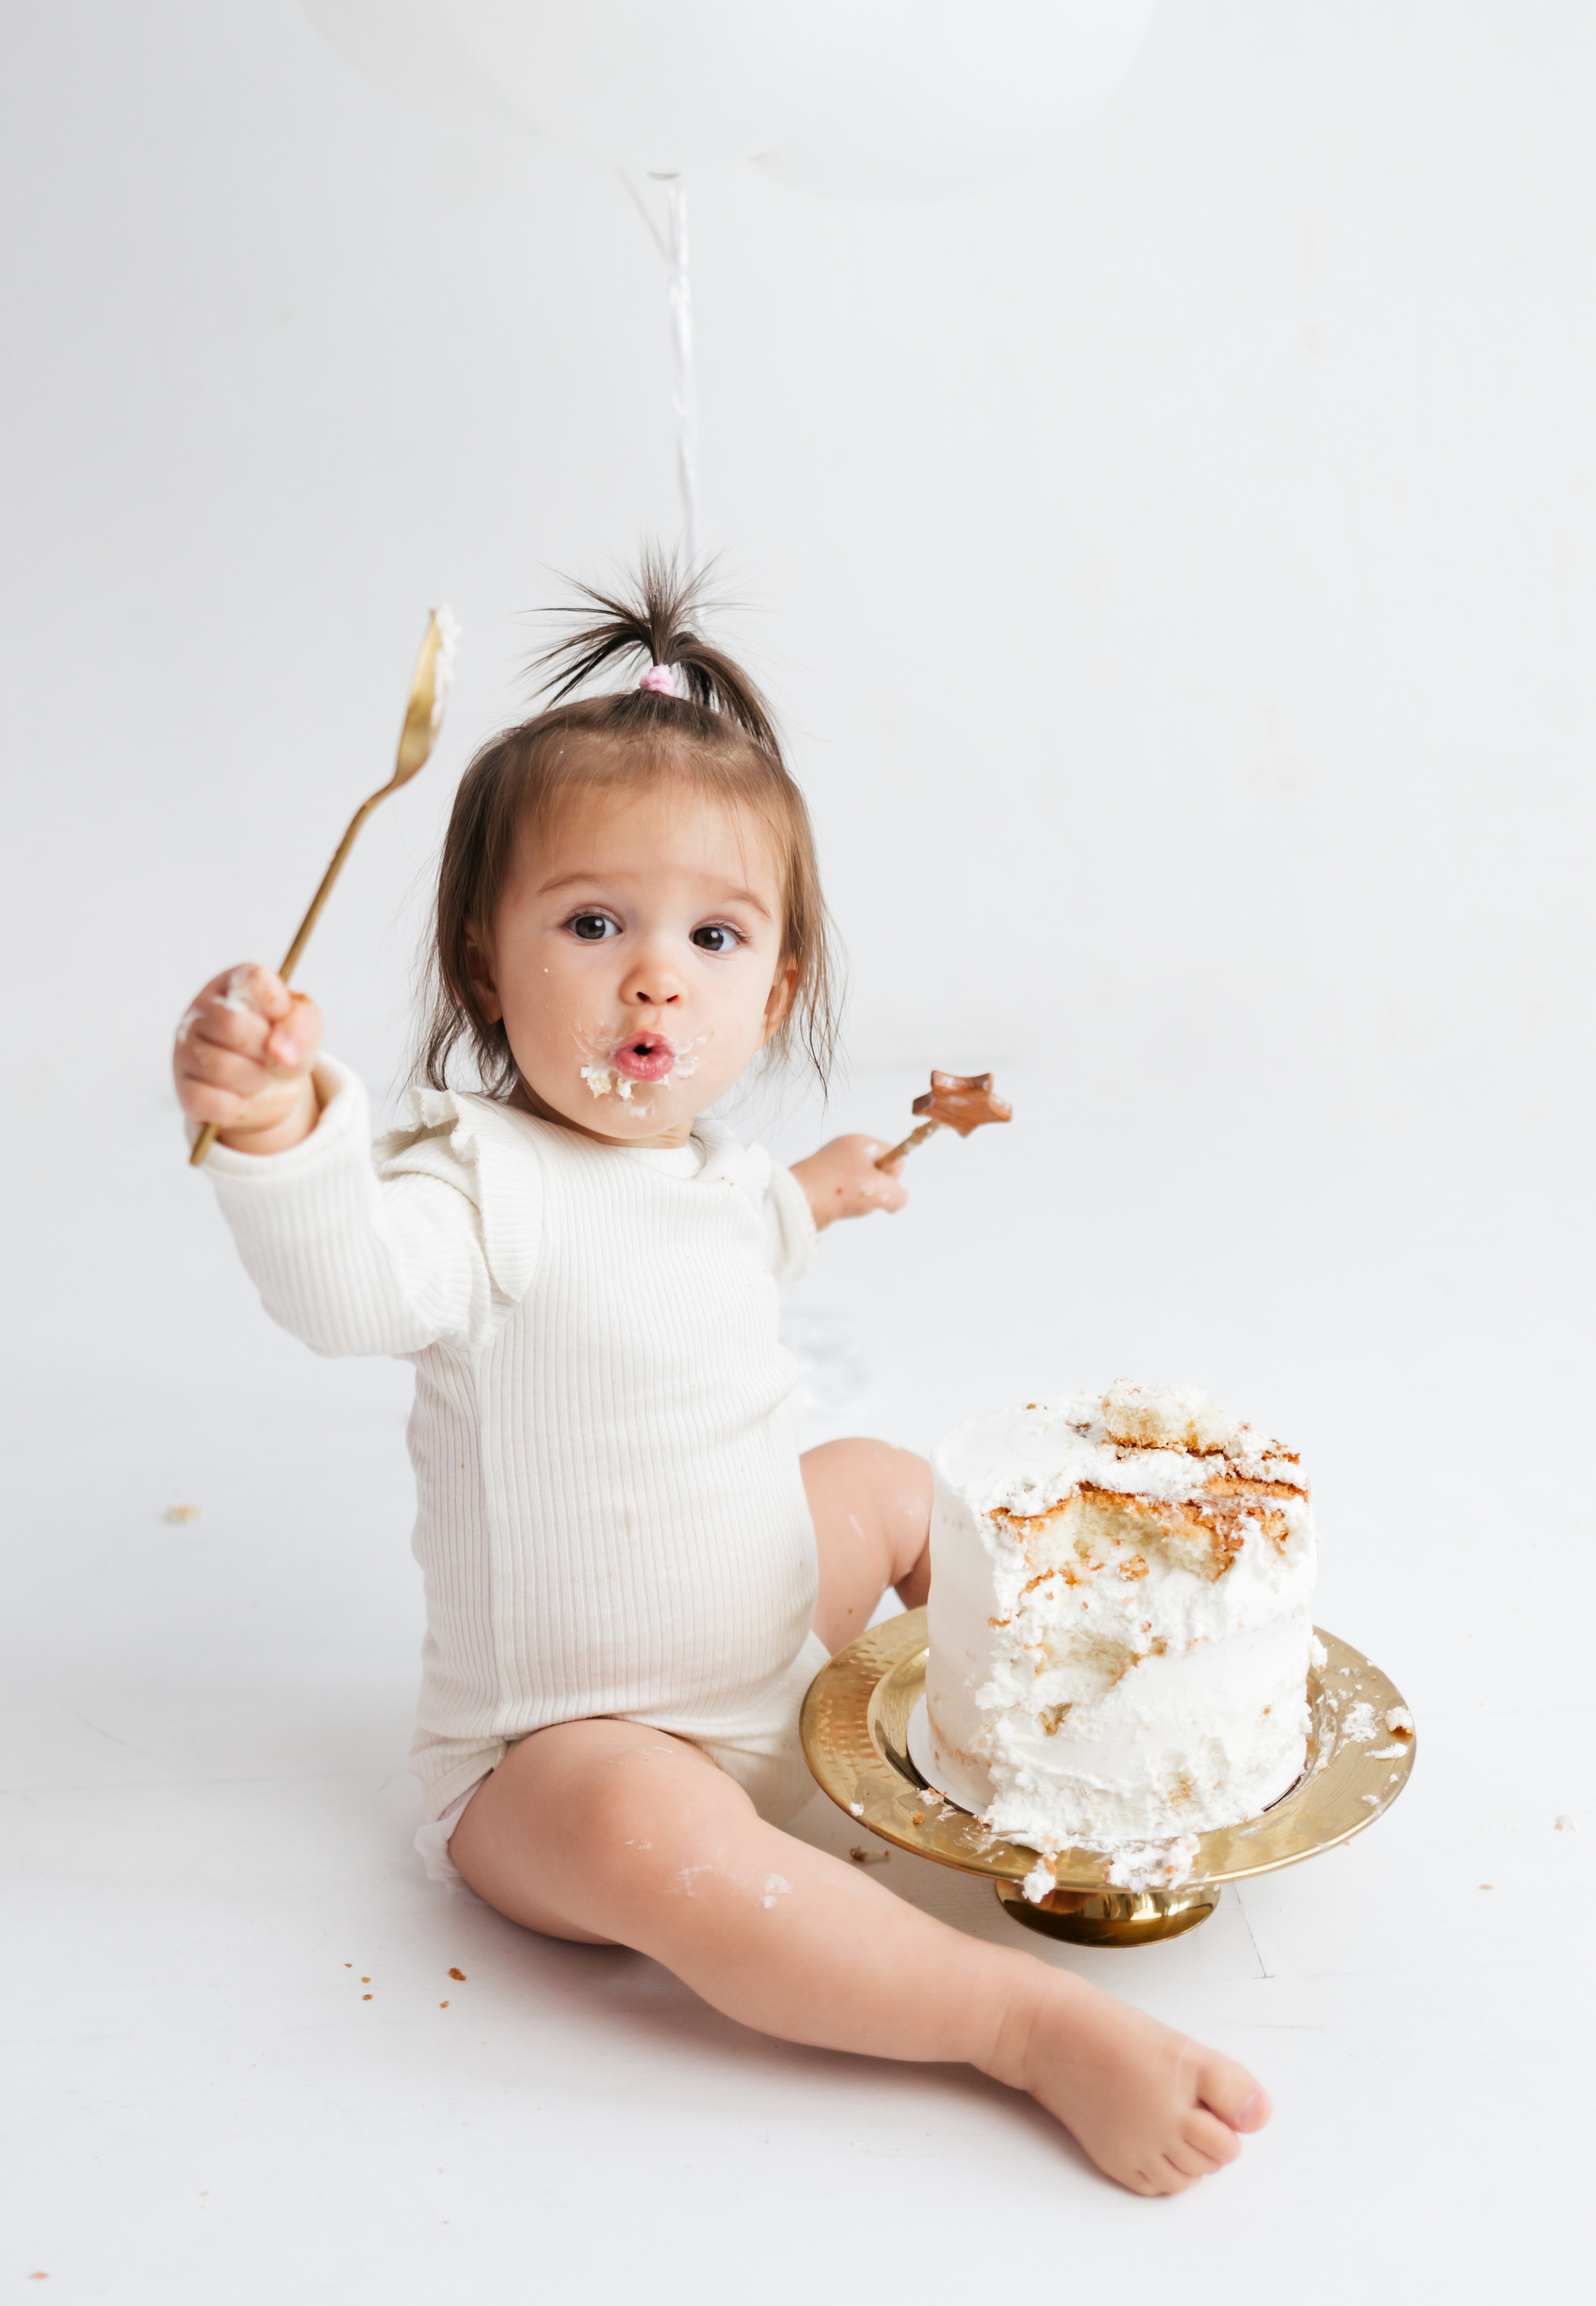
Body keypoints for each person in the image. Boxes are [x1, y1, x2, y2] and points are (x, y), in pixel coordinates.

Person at [172, 560, 1269, 2195]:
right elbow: (348, 1287)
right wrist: (277, 1136)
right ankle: (1015, 2024)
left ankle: (1039, 1740)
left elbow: (748, 1228)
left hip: (767, 1637)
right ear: (484, 963)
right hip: (571, 1746)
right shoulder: (467, 1181)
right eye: (593, 922)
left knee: (895, 1482)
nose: (655, 978)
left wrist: (825, 1182)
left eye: (713, 934)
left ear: (775, 980)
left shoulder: (707, 1176)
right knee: (653, 1842)